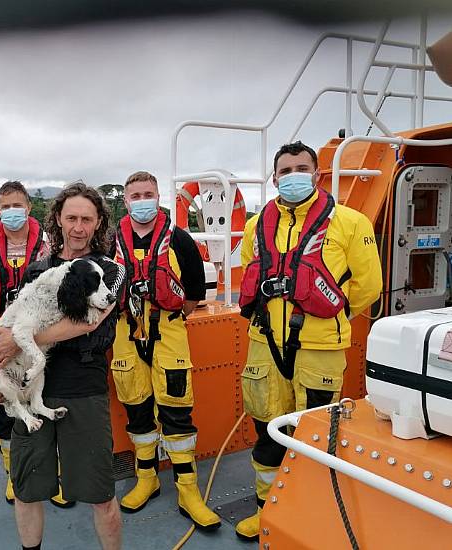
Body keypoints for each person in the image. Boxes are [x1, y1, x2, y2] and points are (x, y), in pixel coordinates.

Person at [235, 141, 383, 541]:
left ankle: (312, 516)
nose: (293, 175)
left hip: (320, 349)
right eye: (286, 170)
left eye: (302, 168)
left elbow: (368, 286)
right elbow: (250, 270)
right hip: (263, 343)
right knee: (266, 430)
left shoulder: (351, 223)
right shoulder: (255, 225)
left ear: (317, 175)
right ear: (274, 177)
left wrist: (328, 315)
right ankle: (267, 511)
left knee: (317, 436)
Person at [0, 182, 124, 550]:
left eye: (87, 219)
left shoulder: (110, 271)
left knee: (100, 494)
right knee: (28, 490)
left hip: (83, 387)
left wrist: (20, 338)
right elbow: (12, 324)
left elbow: (87, 322)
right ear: (58, 220)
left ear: (98, 224)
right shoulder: (37, 270)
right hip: (31, 389)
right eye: (71, 218)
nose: (78, 227)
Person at [110, 171, 221, 531]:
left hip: (169, 331)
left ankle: (188, 490)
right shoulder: (113, 241)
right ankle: (148, 478)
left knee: (177, 412)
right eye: (135, 195)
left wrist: (166, 312)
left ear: (158, 197)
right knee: (137, 409)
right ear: (125, 201)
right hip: (126, 332)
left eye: (148, 194)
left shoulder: (180, 240)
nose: (142, 200)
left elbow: (192, 294)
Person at [0, 180, 63, 507]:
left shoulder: (49, 244)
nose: (11, 212)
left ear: (29, 207)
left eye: (17, 205)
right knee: (3, 401)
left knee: (43, 395)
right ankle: (12, 472)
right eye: (5, 206)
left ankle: (54, 472)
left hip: (39, 337)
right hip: (0, 334)